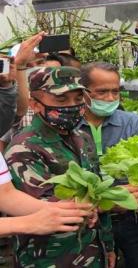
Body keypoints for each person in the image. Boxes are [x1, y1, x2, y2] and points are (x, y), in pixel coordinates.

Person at [4, 66, 116, 268]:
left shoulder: (83, 138)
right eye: (61, 100)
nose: (72, 107)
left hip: (91, 252)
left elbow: (95, 189)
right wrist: (113, 199)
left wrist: (107, 245)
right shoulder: (24, 147)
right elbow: (47, 207)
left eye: (78, 99)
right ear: (35, 104)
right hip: (49, 258)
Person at [78, 62, 138, 268]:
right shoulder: (71, 126)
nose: (111, 98)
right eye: (102, 92)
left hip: (136, 218)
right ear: (83, 92)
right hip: (91, 219)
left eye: (115, 91)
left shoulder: (134, 123)